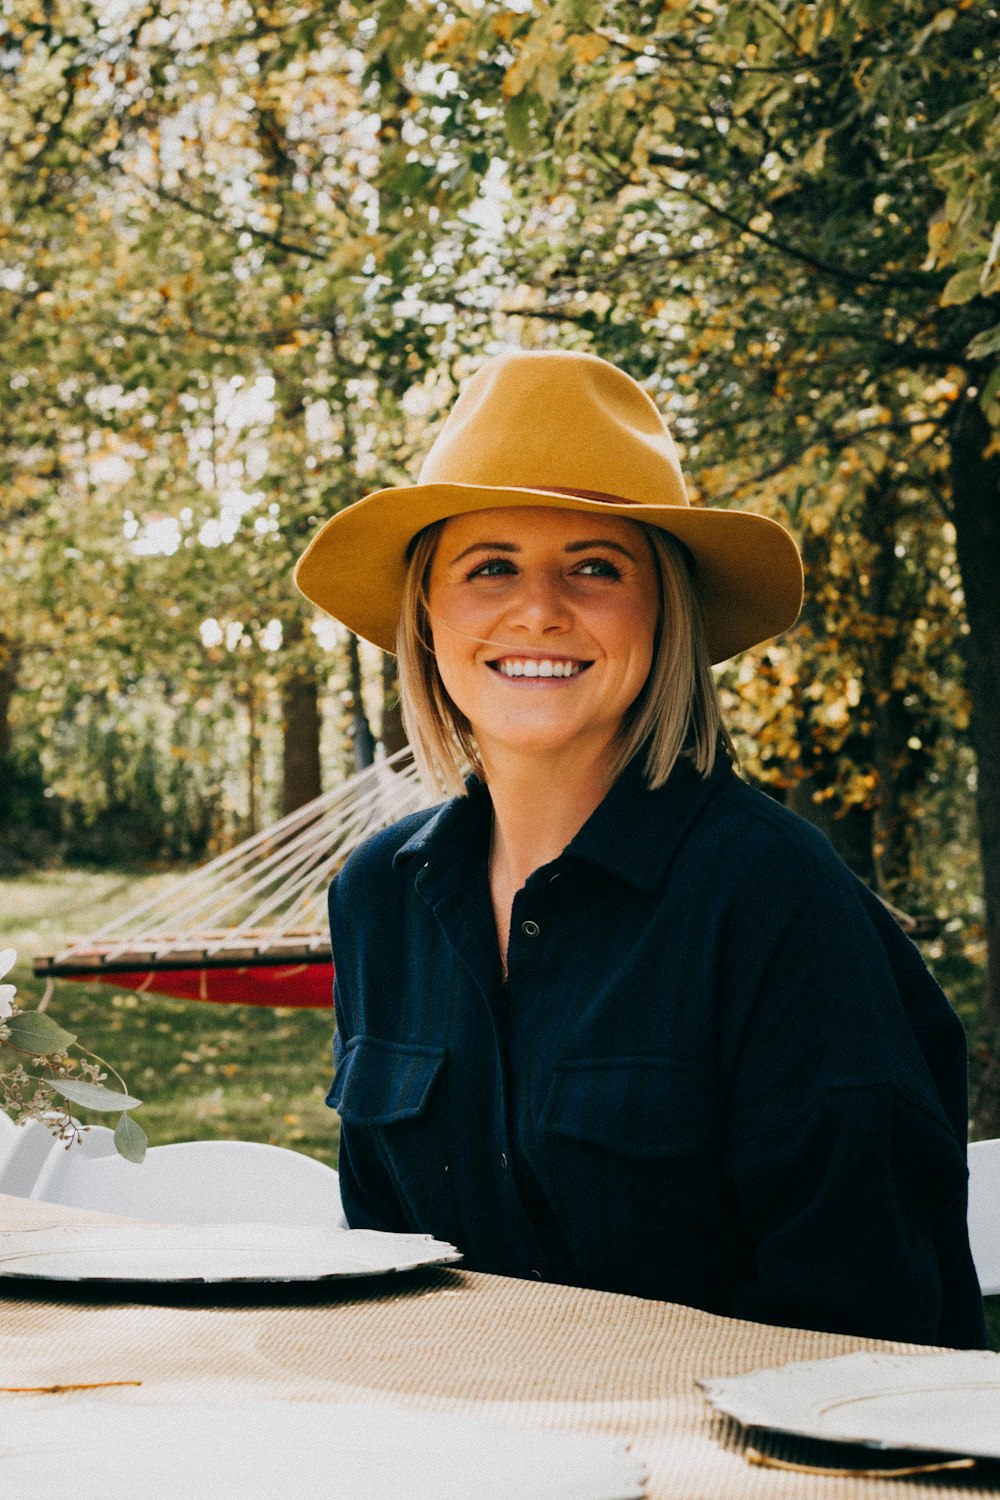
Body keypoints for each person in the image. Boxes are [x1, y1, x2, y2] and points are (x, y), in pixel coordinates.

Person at [295, 348, 986, 1347]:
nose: (538, 608)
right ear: (426, 616)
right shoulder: (379, 897)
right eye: (490, 566)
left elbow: (868, 1325)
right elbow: (387, 1273)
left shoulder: (776, 903)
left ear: (664, 615)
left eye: (595, 566)